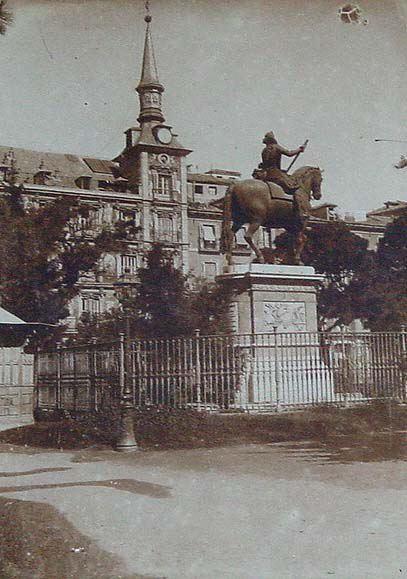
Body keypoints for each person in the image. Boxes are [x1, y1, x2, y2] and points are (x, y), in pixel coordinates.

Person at [253, 131, 309, 219]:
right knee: (295, 188)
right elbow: (289, 153)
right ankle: (300, 211)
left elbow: (265, 164)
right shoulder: (276, 147)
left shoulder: (264, 150)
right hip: (276, 175)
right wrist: (300, 149)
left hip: (266, 175)